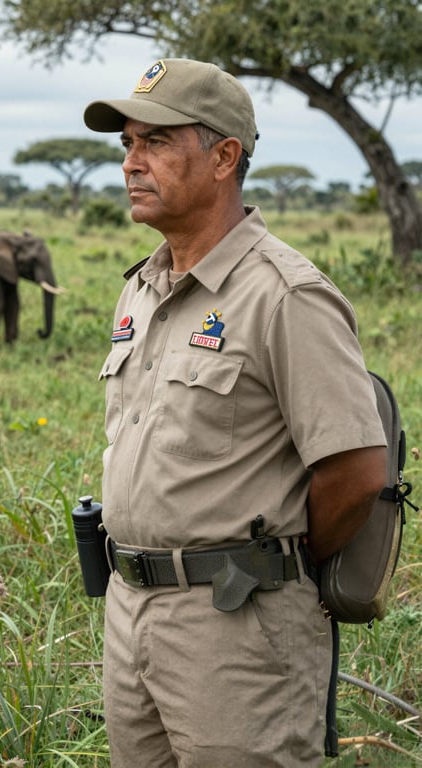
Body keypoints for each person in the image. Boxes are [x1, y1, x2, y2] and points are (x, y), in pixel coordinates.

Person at [83, 58, 388, 767]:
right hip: (131, 612)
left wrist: (271, 565)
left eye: (156, 143)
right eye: (127, 144)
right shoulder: (144, 287)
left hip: (239, 624)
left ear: (224, 157)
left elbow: (356, 469)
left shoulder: (285, 294)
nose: (132, 163)